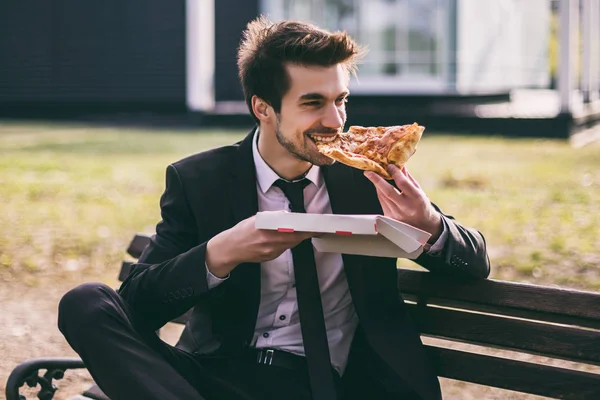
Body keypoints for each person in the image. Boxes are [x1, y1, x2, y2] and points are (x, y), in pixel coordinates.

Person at [58, 16, 490, 400]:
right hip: (215, 376)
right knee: (85, 302)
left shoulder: (369, 175)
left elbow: (475, 261)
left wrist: (427, 225)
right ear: (263, 108)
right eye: (312, 103)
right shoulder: (199, 180)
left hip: (335, 384)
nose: (336, 120)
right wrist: (220, 253)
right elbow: (137, 306)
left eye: (340, 99)